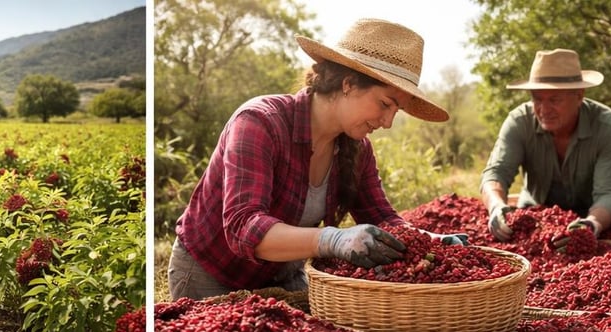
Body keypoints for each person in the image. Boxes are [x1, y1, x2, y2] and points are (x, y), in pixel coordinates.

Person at [167, 19, 467, 300]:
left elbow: (381, 218)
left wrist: (429, 241)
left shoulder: (357, 148)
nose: (387, 122)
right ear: (348, 84)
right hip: (213, 274)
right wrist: (332, 240)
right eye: (385, 104)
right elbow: (244, 226)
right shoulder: (260, 123)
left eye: (396, 111)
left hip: (284, 274)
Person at [481, 49, 611, 252]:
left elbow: (610, 194)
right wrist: (496, 206)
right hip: (533, 222)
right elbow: (496, 173)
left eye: (554, 99)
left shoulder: (608, 127)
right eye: (537, 99)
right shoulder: (519, 122)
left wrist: (591, 224)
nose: (544, 109)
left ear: (579, 96)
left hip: (593, 217)